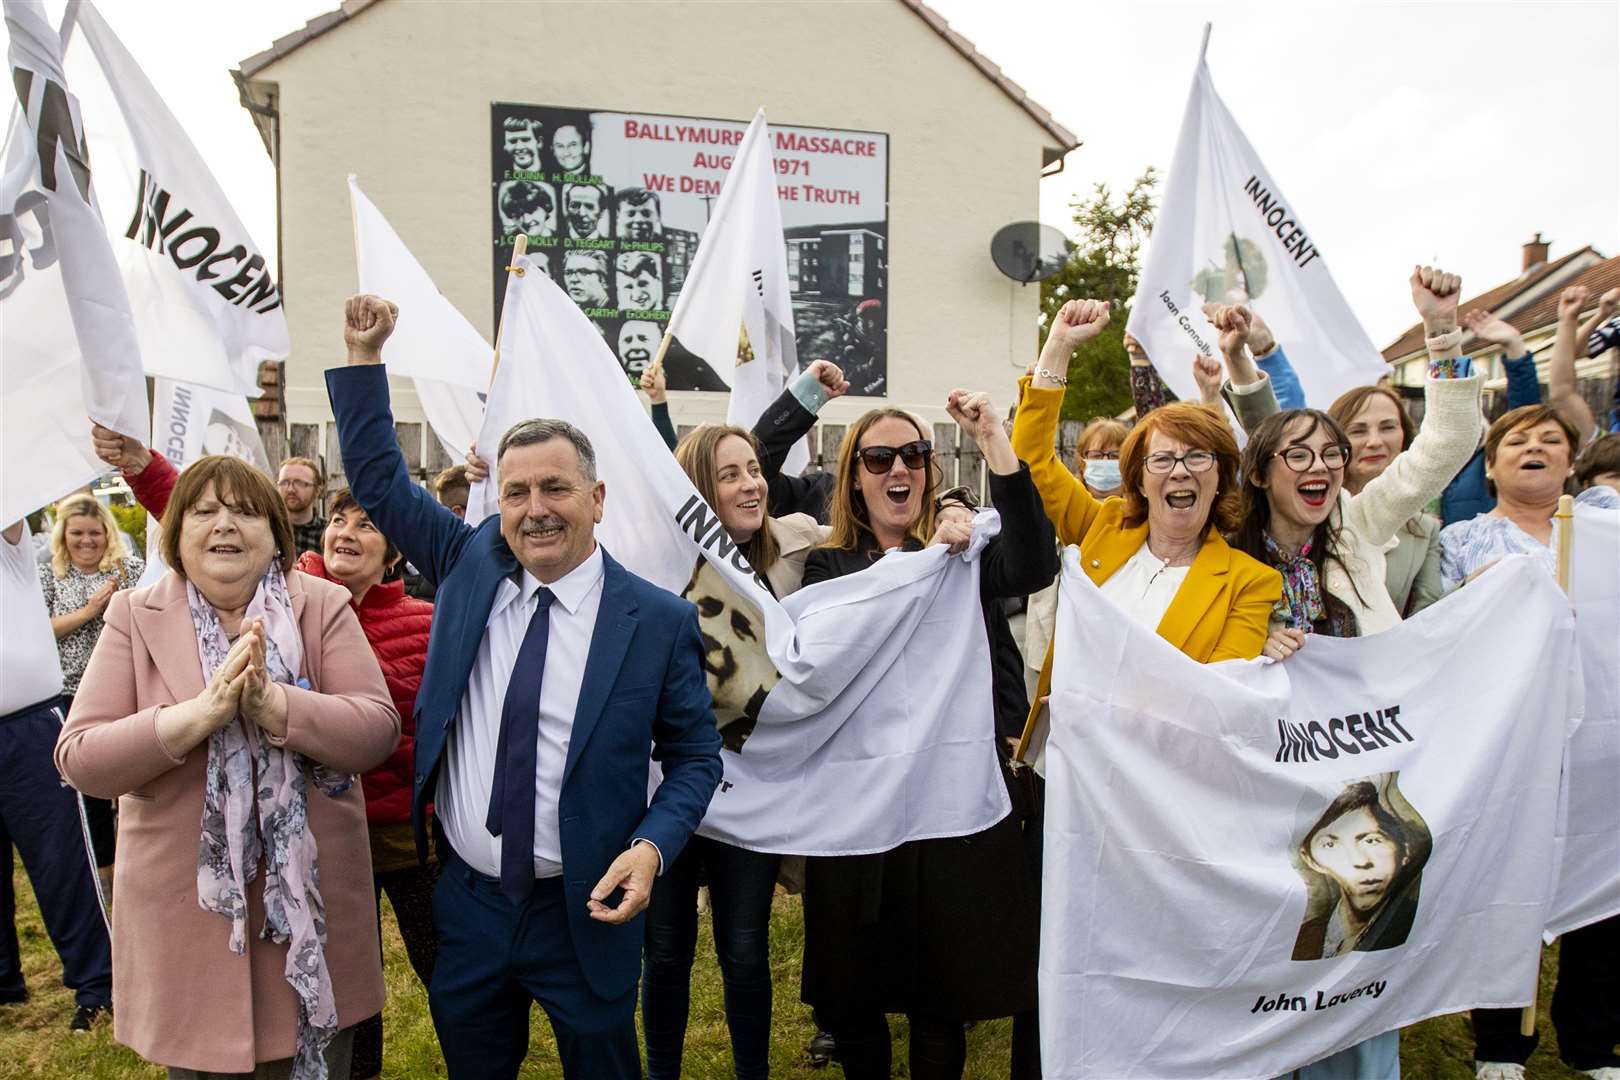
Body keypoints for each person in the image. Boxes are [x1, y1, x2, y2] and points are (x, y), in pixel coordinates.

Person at [326, 294, 722, 1080]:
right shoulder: (469, 563)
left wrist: (651, 848)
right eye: (516, 493)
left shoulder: (656, 620)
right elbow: (377, 477)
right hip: (469, 903)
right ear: (496, 505)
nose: (535, 510)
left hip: (589, 908)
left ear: (596, 500)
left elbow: (696, 758)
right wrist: (365, 358)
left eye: (555, 489)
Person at [54, 455, 400, 1078]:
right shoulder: (135, 613)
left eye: (244, 511)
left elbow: (375, 730)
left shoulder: (321, 604)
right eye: (205, 510)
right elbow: (81, 758)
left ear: (275, 533)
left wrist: (278, 705)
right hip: (188, 920)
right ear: (177, 533)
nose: (225, 525)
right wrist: (194, 717)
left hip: (310, 922)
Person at [1227, 268, 1480, 1080]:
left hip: (1360, 785)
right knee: (1272, 955)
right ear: (1264, 471)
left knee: (1361, 952)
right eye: (1298, 455)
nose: (1323, 466)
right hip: (1262, 792)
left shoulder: (1362, 530)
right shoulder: (1224, 558)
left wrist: (1442, 335)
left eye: (1332, 456)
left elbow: (1444, 445)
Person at [797, 391, 1054, 1080]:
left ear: (929, 469)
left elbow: (1034, 565)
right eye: (878, 459)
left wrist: (996, 438)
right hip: (859, 807)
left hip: (948, 805)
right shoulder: (830, 569)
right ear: (854, 476)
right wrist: (922, 559)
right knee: (855, 996)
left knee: (940, 994)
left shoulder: (966, 555)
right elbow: (834, 656)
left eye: (912, 455)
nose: (896, 470)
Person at [640, 420, 836, 1080]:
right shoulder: (658, 564)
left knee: (746, 948)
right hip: (667, 791)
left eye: (754, 469)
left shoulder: (793, 554)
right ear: (699, 489)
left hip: (751, 793)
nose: (752, 483)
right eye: (731, 474)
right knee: (665, 949)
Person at [1435, 403, 1620, 1080]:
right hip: (1515, 741)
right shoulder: (1463, 542)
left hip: (1603, 745)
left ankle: (1594, 1041)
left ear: (1573, 461)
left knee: (1603, 894)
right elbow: (1444, 633)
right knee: (1509, 885)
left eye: (1550, 441)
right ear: (1491, 465)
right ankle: (1501, 1043)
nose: (1534, 448)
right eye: (1517, 441)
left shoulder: (1609, 534)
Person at [297, 491, 437, 1080]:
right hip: (325, 839)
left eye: (367, 524)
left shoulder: (428, 623)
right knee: (351, 983)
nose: (345, 532)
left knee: (445, 967)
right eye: (337, 520)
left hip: (406, 837)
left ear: (393, 556)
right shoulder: (287, 609)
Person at [0, 517, 114, 1032]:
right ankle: (4, 982)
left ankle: (98, 985)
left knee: (61, 861)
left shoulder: (9, 542)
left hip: (27, 727)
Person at [38, 493, 145, 888]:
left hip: (126, 689)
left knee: (135, 784)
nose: (86, 541)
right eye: (77, 533)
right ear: (64, 536)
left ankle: (138, 865)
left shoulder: (129, 570)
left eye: (95, 533)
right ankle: (104, 872)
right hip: (71, 693)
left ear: (107, 534)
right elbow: (40, 630)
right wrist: (87, 613)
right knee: (91, 789)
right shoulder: (51, 576)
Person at [1327, 384, 1443, 615]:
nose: (1375, 441)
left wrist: (1476, 585)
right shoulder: (1310, 511)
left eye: (1388, 427)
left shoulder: (1423, 529)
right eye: (1358, 431)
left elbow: (1429, 613)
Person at [1290, 777, 1431, 961]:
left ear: (1405, 849)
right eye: (1330, 844)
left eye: (1371, 840)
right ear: (1311, 859)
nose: (1359, 861)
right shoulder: (1305, 937)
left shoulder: (1427, 922)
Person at [277, 457, 326, 555]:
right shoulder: (269, 528)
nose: (290, 489)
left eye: (299, 483)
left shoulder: (328, 532)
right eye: (284, 482)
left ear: (317, 490)